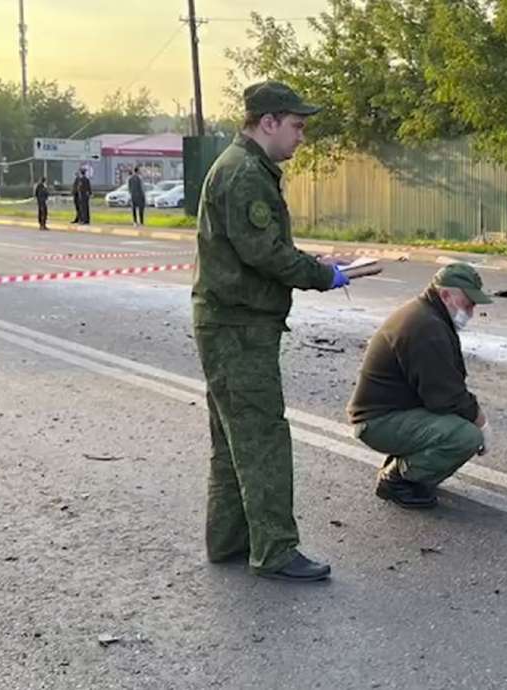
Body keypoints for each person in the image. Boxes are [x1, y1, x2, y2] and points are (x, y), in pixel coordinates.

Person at [191, 80, 350, 582]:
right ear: (269, 122)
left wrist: (316, 266)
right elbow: (265, 253)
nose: (301, 137)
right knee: (262, 438)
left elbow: (258, 247)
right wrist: (324, 274)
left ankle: (230, 540)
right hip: (239, 327)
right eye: (297, 126)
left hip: (228, 321)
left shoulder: (243, 167)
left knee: (233, 438)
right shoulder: (245, 175)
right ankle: (275, 551)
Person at [348, 263, 492, 510]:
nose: (471, 311)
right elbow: (447, 397)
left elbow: (444, 386)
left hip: (390, 412)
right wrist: (482, 424)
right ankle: (398, 480)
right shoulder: (427, 327)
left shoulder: (428, 314)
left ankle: (408, 462)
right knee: (465, 436)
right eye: (468, 303)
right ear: (446, 294)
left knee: (460, 422)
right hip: (378, 421)